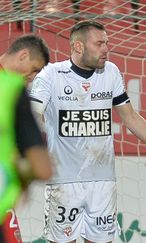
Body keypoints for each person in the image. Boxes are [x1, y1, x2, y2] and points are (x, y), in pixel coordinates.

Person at [29, 20, 146, 243]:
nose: (106, 49)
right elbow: (32, 114)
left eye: (107, 43)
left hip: (103, 181)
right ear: (78, 47)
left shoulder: (111, 72)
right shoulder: (51, 75)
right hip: (64, 182)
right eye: (99, 44)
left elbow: (130, 116)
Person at [0, 34, 52, 242]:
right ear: (23, 55)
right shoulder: (12, 89)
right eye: (34, 69)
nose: (32, 77)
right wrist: (24, 176)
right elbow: (42, 168)